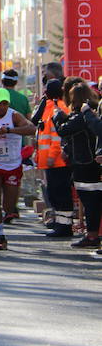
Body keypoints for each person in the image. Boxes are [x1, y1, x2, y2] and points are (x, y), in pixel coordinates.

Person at [0, 88, 35, 250]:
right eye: (0, 104)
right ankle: (0, 236)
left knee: (8, 207)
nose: (3, 107)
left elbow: (32, 129)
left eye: (5, 103)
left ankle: (7, 214)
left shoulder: (14, 116)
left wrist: (9, 130)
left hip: (12, 164)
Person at [53, 82, 101, 249]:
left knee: (90, 201)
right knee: (93, 200)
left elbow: (63, 130)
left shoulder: (80, 116)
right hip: (92, 162)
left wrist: (57, 117)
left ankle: (92, 235)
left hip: (83, 163)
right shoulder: (92, 113)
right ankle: (93, 234)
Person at [32, 79, 73, 237]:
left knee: (60, 194)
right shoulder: (49, 107)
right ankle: (60, 223)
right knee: (54, 194)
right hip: (51, 161)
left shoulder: (58, 108)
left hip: (57, 161)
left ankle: (64, 226)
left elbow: (57, 137)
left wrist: (51, 156)